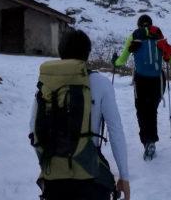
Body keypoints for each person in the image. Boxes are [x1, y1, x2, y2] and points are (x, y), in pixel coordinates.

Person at [30, 29, 131, 200]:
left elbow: (34, 127)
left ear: (60, 52)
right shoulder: (100, 83)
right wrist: (124, 177)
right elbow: (116, 131)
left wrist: (51, 164)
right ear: (87, 54)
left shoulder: (47, 84)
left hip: (54, 178)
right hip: (91, 176)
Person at [114, 14, 171, 161]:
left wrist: (114, 62)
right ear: (151, 24)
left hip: (141, 80)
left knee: (142, 111)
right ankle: (152, 140)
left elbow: (122, 60)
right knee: (151, 110)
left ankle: (147, 141)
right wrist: (166, 57)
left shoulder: (134, 37)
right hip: (158, 80)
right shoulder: (159, 37)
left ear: (139, 25)